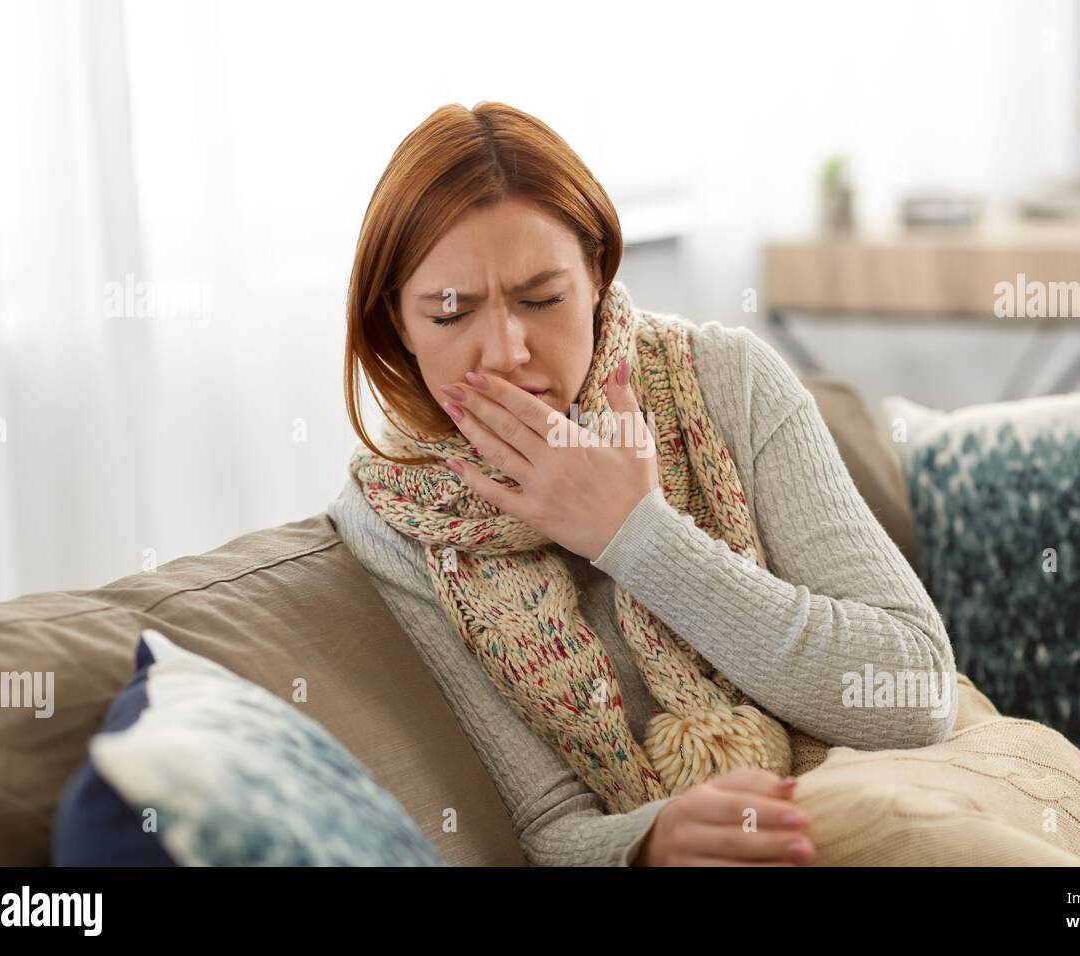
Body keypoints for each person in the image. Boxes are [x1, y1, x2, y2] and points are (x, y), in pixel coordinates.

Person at [327, 101, 959, 866]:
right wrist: (649, 843)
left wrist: (637, 535)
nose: (507, 351)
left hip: (895, 799)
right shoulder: (393, 519)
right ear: (397, 322)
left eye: (542, 299)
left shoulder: (727, 379)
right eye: (451, 312)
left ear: (596, 274)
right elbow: (547, 829)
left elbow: (915, 690)